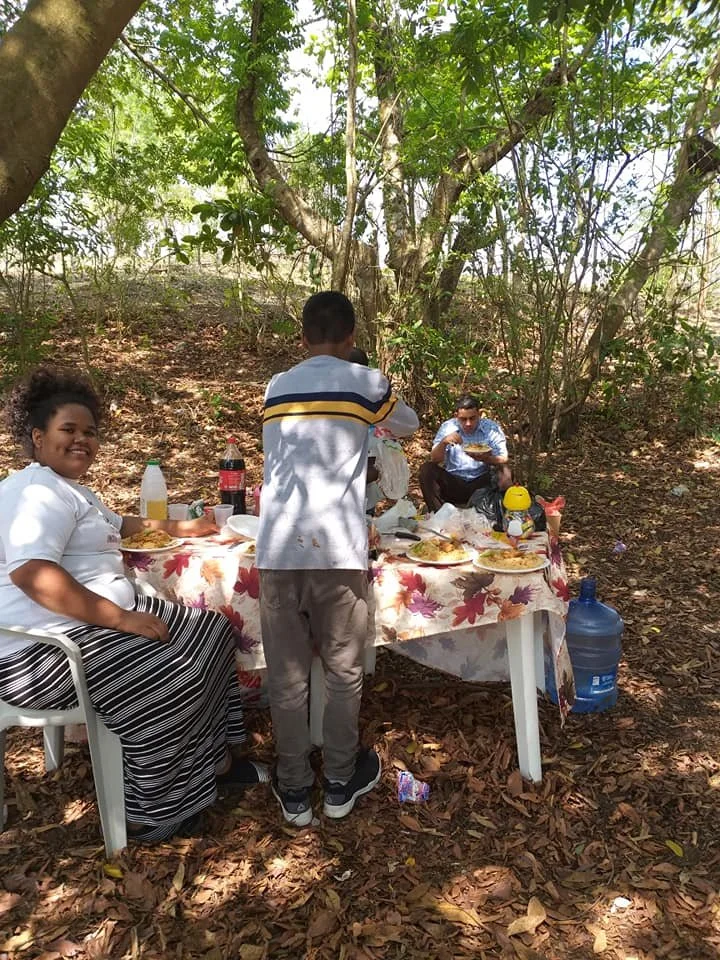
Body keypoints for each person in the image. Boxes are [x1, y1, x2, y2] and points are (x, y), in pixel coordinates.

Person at [0, 368, 268, 844]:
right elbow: (32, 574)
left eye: (90, 432)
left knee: (212, 633)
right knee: (173, 671)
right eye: (69, 430)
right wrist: (122, 618)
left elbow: (120, 524)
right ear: (37, 437)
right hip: (42, 653)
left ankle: (212, 761)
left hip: (88, 629)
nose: (82, 440)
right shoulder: (34, 491)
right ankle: (152, 809)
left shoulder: (70, 488)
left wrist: (186, 528)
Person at [256, 291, 418, 826]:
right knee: (345, 672)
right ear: (351, 338)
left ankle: (295, 788)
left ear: (302, 338)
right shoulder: (365, 381)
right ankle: (341, 781)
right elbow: (410, 425)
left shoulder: (277, 386)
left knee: (286, 676)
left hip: (277, 547)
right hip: (339, 547)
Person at [419, 394, 512, 513]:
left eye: (472, 418)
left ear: (479, 414)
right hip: (454, 482)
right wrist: (443, 443)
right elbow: (435, 459)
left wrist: (486, 458)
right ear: (456, 416)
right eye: (463, 419)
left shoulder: (490, 428)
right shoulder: (448, 427)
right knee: (427, 469)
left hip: (481, 483)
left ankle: (501, 513)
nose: (468, 423)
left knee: (506, 471)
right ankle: (439, 514)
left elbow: (503, 458)